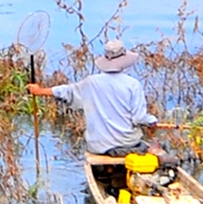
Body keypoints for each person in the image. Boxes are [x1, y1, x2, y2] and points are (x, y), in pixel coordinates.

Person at [27, 38, 157, 156]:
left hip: (98, 146)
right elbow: (139, 118)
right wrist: (151, 121)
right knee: (151, 149)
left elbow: (67, 91)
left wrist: (40, 91)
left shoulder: (91, 82)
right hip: (126, 143)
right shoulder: (133, 85)